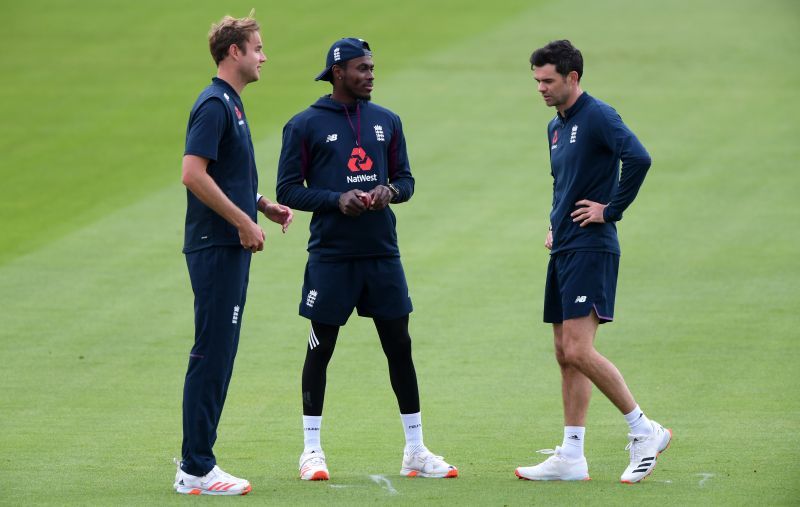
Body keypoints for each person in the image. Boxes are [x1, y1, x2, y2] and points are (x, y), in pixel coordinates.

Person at [276, 37, 457, 481]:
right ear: (338, 72)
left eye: (373, 68)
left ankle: (415, 450)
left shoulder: (387, 121)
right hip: (332, 257)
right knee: (321, 348)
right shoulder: (304, 125)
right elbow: (286, 190)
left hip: (381, 254)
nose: (370, 75)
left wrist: (388, 191)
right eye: (362, 69)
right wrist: (336, 200)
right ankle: (311, 452)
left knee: (400, 348)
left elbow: (407, 180)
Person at [515, 40, 671, 484]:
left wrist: (610, 209)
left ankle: (645, 429)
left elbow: (638, 158)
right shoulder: (555, 127)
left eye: (548, 81)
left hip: (592, 246)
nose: (541, 88)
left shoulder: (599, 115)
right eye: (536, 81)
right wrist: (554, 222)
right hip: (564, 246)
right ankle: (571, 455)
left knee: (580, 349)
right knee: (565, 355)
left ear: (573, 78)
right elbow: (562, 183)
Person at [173, 12, 293, 496]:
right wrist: (243, 222)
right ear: (233, 53)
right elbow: (193, 173)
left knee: (220, 352)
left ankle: (198, 462)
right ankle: (196, 467)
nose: (264, 56)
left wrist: (260, 205)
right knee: (212, 353)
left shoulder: (232, 104)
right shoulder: (215, 105)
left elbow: (225, 174)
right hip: (216, 245)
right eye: (257, 48)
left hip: (227, 243)